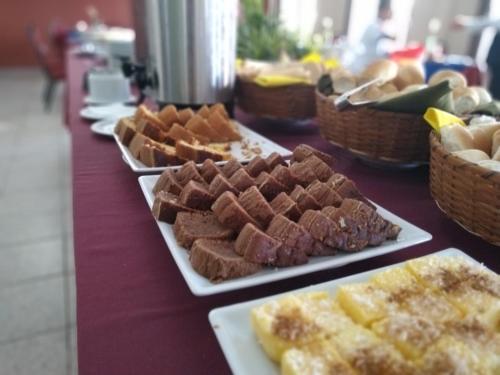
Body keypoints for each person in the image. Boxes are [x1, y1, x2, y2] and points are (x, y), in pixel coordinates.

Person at [453, 15, 500, 99]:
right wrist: (466, 23)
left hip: (495, 60)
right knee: (494, 89)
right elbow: (488, 23)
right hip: (496, 61)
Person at [358, 0, 396, 67]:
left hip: (372, 62)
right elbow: (379, 36)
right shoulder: (373, 26)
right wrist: (389, 37)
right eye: (387, 10)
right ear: (381, 11)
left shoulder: (382, 26)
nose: (390, 13)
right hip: (365, 63)